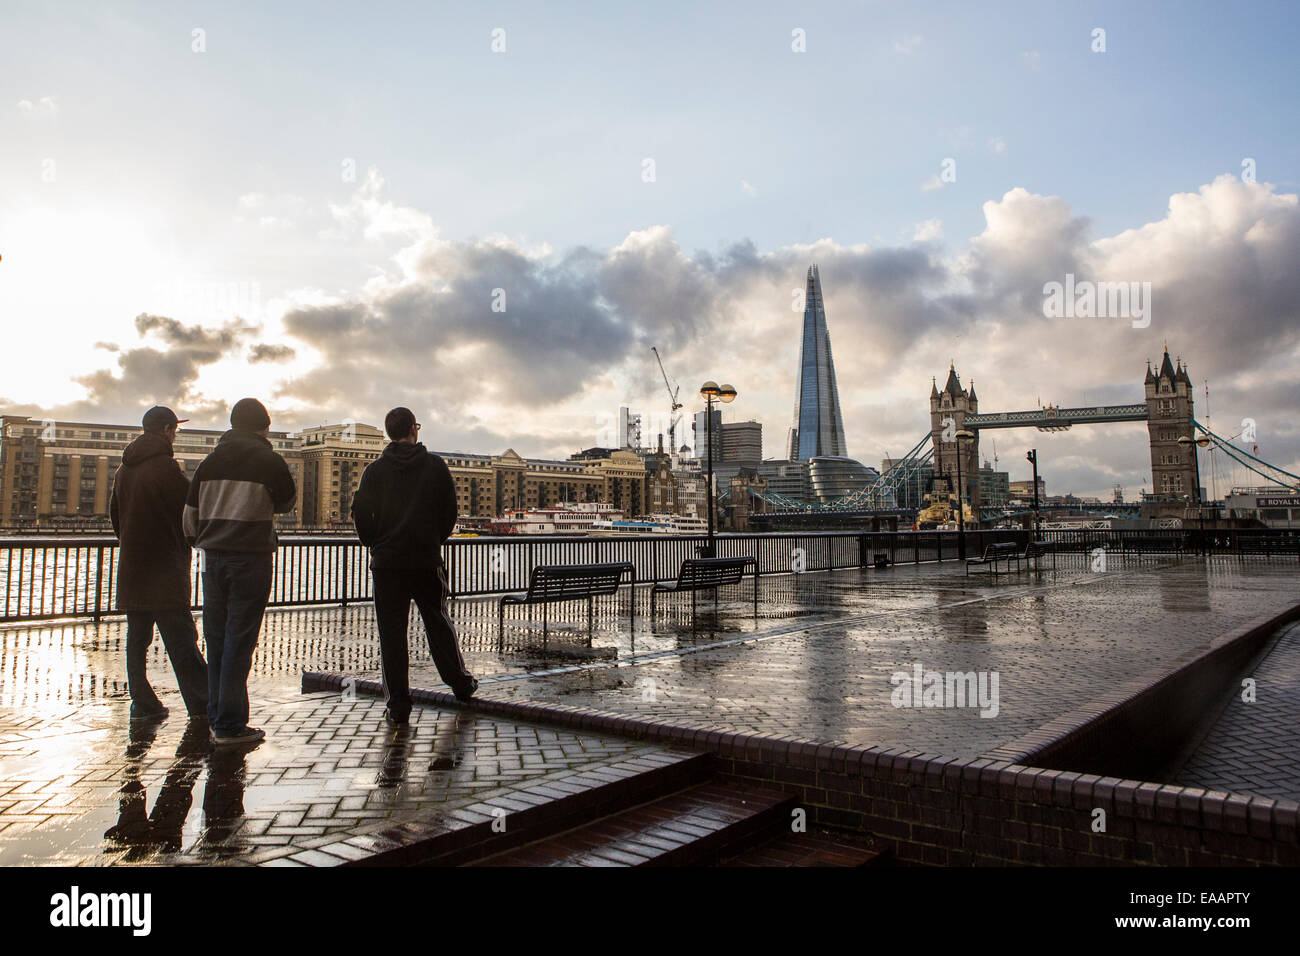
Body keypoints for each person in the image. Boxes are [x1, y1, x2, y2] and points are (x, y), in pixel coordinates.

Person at [351, 406, 477, 723]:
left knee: (391, 634)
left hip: (387, 564)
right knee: (438, 624)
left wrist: (375, 544)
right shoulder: (435, 467)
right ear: (414, 429)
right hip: (425, 561)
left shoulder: (374, 471)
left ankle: (398, 703)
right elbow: (449, 513)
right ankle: (460, 684)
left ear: (390, 433)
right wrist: (432, 540)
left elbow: (361, 517)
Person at [184, 398, 296, 746]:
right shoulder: (269, 461)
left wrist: (201, 540)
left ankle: (218, 713)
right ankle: (230, 724)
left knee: (216, 638)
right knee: (240, 640)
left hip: (213, 558)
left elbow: (189, 516)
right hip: (251, 557)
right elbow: (287, 502)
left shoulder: (209, 462)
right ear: (264, 426)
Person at [110, 405, 209, 722]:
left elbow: (116, 518)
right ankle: (203, 703)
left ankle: (142, 704)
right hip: (164, 569)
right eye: (175, 430)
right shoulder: (167, 469)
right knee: (181, 639)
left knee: (137, 640)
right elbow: (191, 512)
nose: (176, 435)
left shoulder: (124, 470)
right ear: (167, 430)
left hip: (132, 567)